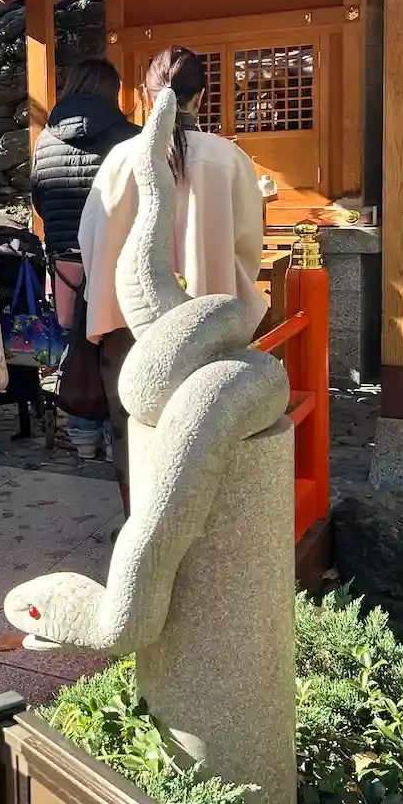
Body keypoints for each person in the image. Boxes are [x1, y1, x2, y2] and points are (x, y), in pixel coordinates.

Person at [78, 45, 267, 515]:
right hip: (206, 326)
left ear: (146, 96)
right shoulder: (227, 158)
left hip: (127, 322)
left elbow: (91, 239)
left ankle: (137, 520)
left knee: (131, 425)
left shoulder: (121, 159)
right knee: (204, 428)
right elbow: (248, 244)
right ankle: (204, 527)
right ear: (199, 97)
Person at [30, 57, 139, 463]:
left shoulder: (45, 140)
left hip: (65, 263)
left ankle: (82, 431)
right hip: (117, 260)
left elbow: (39, 199)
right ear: (113, 92)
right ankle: (116, 434)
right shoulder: (131, 138)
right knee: (118, 346)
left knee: (77, 343)